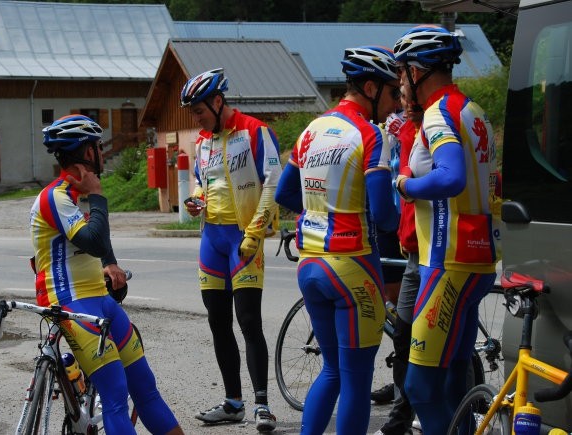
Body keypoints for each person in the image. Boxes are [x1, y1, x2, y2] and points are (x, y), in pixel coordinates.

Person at [30, 114, 184, 435]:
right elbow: (94, 239)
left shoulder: (76, 197)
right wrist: (98, 194)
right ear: (85, 152)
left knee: (145, 388)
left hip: (98, 300)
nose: (102, 153)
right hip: (69, 303)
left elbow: (98, 241)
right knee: (115, 395)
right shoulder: (54, 197)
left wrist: (111, 263)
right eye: (98, 146)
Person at [274, 46, 400, 435]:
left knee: (331, 371)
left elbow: (284, 194)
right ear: (369, 87)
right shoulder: (371, 134)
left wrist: (323, 212)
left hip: (311, 265)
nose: (396, 103)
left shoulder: (311, 130)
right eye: (392, 92)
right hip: (352, 268)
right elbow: (384, 217)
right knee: (357, 382)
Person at [392, 25, 501, 435]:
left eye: (403, 73)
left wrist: (406, 186)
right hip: (479, 257)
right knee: (456, 373)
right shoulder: (474, 110)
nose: (401, 81)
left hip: (447, 260)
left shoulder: (438, 113)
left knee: (420, 387)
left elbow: (451, 177)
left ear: (418, 71)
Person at [179, 68, 282, 433]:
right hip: (212, 239)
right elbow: (200, 182)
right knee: (217, 322)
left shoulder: (255, 131)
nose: (197, 118)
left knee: (249, 321)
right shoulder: (203, 141)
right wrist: (195, 201)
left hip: (243, 239)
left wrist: (255, 233)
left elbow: (273, 184)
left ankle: (263, 405)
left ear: (218, 100)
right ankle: (233, 402)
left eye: (199, 110)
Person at [374, 89, 424, 435]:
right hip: (396, 225)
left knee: (400, 317)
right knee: (399, 318)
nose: (398, 98)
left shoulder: (404, 125)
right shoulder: (384, 124)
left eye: (400, 91)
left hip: (399, 224)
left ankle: (405, 394)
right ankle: (402, 386)